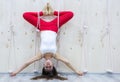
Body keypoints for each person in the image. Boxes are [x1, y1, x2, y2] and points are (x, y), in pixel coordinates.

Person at [10, 3, 83, 80]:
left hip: (41, 26)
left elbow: (27, 63)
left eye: (46, 66)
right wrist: (77, 71)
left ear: (43, 65)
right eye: (50, 66)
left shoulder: (40, 55)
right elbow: (67, 62)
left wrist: (16, 72)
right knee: (70, 14)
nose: (48, 65)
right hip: (55, 26)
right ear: (53, 65)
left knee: (25, 15)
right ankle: (51, 12)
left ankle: (44, 13)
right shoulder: (55, 55)